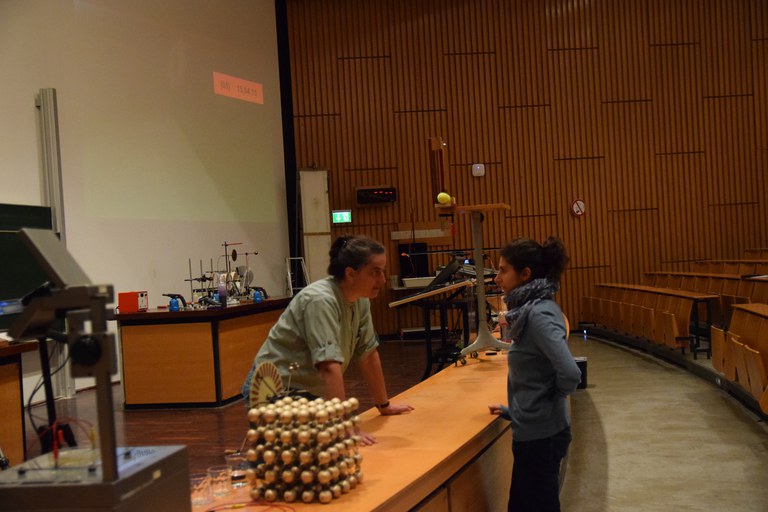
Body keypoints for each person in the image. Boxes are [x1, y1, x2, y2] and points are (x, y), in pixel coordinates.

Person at [243, 235, 413, 443]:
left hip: (308, 392)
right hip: (275, 390)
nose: (383, 280)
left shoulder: (360, 300)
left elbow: (368, 355)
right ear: (351, 273)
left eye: (383, 271)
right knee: (293, 460)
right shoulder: (320, 300)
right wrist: (342, 426)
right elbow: (328, 367)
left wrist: (384, 405)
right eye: (375, 273)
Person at [488, 237, 582, 512]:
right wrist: (514, 410)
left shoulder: (539, 315)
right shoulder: (530, 310)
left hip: (542, 436)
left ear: (525, 274)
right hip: (534, 432)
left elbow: (570, 372)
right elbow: (537, 374)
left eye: (504, 270)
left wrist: (546, 401)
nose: (497, 278)